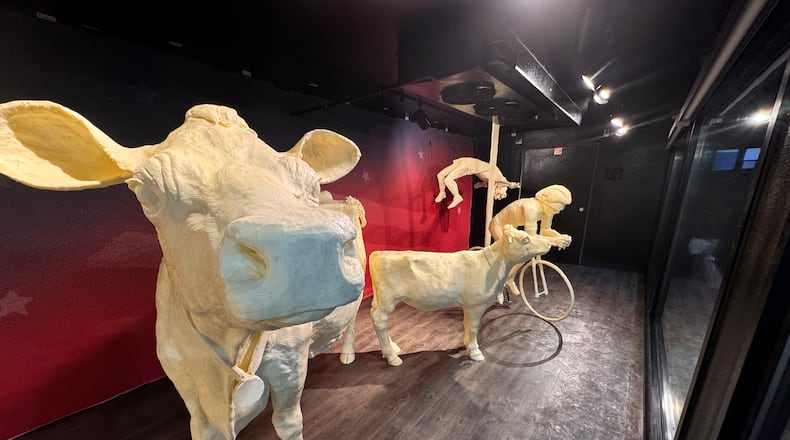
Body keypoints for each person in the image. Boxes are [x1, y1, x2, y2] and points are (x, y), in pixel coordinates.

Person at [489, 184, 573, 296]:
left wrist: (561, 237)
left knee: (525, 253)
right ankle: (495, 280)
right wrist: (555, 241)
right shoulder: (531, 207)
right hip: (498, 226)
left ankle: (509, 278)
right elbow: (531, 237)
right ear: (548, 203)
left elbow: (546, 230)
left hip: (513, 228)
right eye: (557, 208)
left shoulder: (547, 210)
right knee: (515, 252)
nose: (558, 212)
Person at [434, 157, 520, 209]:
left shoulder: (488, 181)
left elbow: (478, 185)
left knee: (447, 179)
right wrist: (510, 184)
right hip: (468, 163)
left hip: (469, 166)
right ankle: (448, 194)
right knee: (440, 175)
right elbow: (501, 181)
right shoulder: (496, 177)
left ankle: (451, 195)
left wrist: (479, 185)